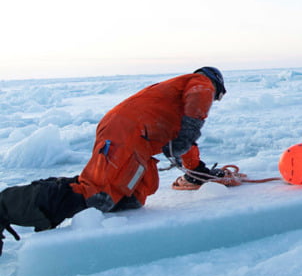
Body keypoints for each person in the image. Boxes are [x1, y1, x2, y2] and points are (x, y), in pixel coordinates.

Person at [0, 67, 226, 254]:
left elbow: (186, 144)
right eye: (217, 96)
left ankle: (88, 227)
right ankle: (5, 207)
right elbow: (199, 98)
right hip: (126, 130)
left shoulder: (177, 105)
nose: (213, 101)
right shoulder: (201, 81)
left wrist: (197, 171)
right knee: (98, 194)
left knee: (131, 199)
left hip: (138, 139)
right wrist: (190, 130)